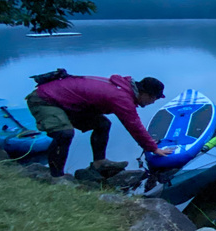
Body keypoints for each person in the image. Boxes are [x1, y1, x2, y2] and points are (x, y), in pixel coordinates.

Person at [26, 74, 172, 177]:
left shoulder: (124, 90)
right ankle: (56, 177)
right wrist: (153, 148)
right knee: (64, 133)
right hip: (45, 99)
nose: (153, 102)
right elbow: (133, 125)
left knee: (102, 124)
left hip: (66, 102)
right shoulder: (121, 97)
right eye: (154, 98)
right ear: (144, 93)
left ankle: (99, 162)